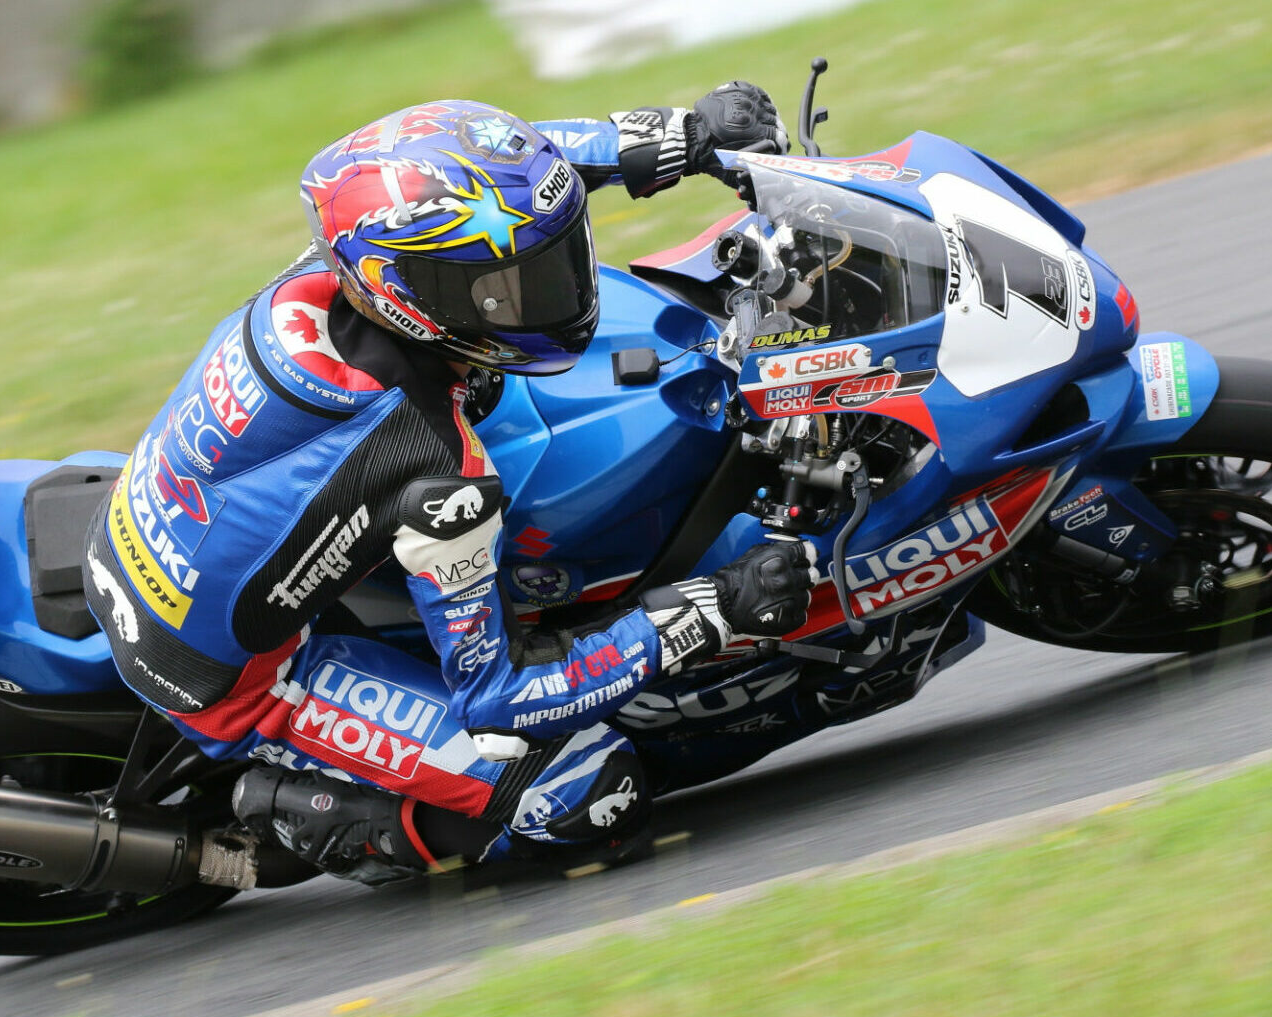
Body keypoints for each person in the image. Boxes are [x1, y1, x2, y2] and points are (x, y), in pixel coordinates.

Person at [84, 86, 815, 885]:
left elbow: (526, 165)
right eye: (506, 285)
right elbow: (500, 697)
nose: (555, 289)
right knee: (589, 792)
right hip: (225, 674)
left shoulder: (334, 268)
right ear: (416, 297)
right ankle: (328, 825)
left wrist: (681, 135)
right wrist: (706, 613)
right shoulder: (436, 470)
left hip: (165, 527)